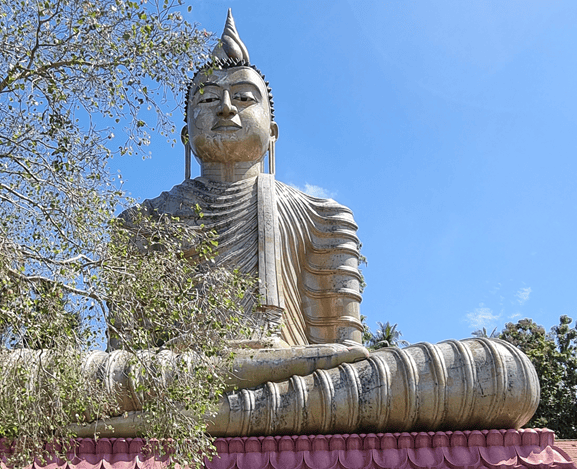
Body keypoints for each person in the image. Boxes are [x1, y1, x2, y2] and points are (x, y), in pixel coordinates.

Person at [73, 10, 539, 438]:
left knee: (502, 371)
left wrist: (306, 364)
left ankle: (210, 412)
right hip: (172, 377)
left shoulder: (324, 217)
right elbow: (124, 361)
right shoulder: (138, 225)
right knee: (19, 375)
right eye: (210, 98)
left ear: (271, 131)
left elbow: (347, 356)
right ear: (185, 134)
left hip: (303, 377)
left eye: (243, 98)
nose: (227, 109)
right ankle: (222, 407)